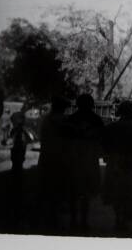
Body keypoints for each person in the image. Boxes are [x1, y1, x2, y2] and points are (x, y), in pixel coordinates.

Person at [103, 101, 132, 232]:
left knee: (116, 191)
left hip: (115, 161)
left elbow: (105, 146)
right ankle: (124, 219)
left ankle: (118, 218)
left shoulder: (111, 127)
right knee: (128, 191)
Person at [65, 93, 104, 231]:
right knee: (86, 192)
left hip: (74, 159)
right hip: (89, 159)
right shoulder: (97, 120)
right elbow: (101, 139)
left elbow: (66, 140)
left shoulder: (71, 119)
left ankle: (74, 220)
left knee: (74, 191)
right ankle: (83, 221)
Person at [37, 96, 70, 230]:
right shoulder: (65, 121)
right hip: (60, 157)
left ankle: (47, 217)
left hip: (46, 156)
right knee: (58, 187)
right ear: (62, 108)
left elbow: (42, 137)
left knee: (47, 187)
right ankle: (54, 218)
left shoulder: (46, 120)